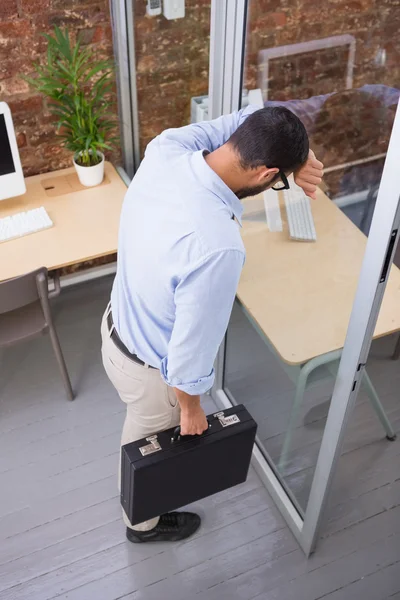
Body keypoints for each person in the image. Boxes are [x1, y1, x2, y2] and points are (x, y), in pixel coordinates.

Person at [101, 105, 324, 544]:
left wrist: (298, 158)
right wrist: (191, 409)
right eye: (279, 179)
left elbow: (249, 117)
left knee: (141, 427)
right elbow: (187, 358)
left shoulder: (166, 149)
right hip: (150, 373)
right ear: (265, 175)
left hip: (115, 326)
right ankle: (141, 525)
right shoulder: (217, 246)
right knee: (146, 443)